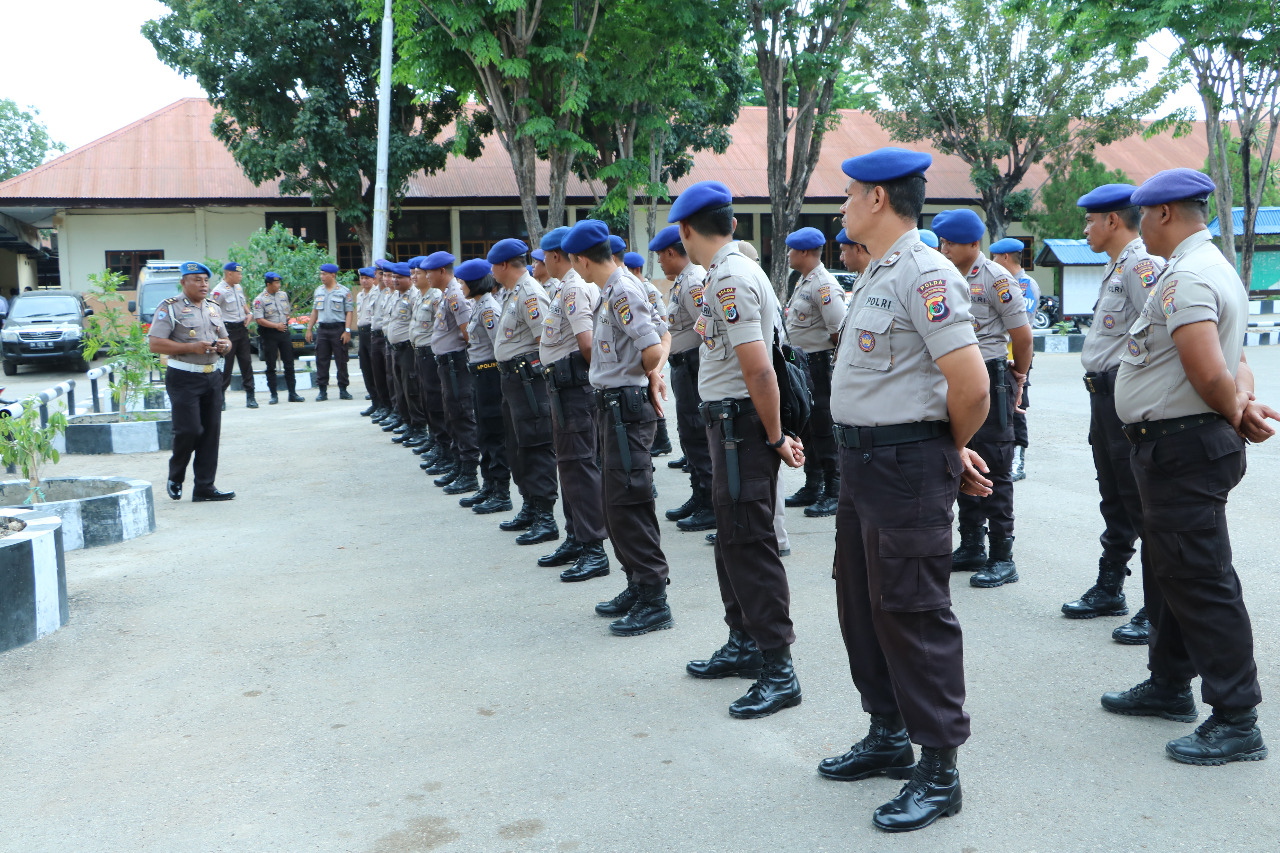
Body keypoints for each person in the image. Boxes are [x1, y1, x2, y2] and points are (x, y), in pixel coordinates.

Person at [820, 147, 992, 833]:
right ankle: (887, 732)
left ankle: (939, 767)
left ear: (879, 199)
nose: (842, 207)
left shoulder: (925, 273)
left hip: (904, 465)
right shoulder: (878, 273)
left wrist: (946, 451)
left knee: (914, 611)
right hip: (865, 466)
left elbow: (972, 384)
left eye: (850, 194)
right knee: (864, 602)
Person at [1102, 168, 1279, 765]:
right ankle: (1169, 682)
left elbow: (1209, 368)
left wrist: (1235, 409)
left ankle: (1236, 718)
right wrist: (1241, 400)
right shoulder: (1213, 267)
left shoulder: (1188, 276)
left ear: (1166, 214)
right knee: (1171, 570)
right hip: (1175, 444)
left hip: (1182, 447)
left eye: (1144, 216)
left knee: (1201, 579)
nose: (1139, 227)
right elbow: (1239, 358)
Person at [669, 181, 806, 720]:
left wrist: (774, 437)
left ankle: (779, 667)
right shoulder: (726, 274)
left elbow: (759, 368)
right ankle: (744, 641)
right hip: (728, 424)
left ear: (685, 230)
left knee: (751, 541)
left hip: (740, 428)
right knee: (732, 536)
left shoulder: (728, 277)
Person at [561, 219, 674, 632]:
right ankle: (636, 582)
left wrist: (654, 373)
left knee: (629, 504)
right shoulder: (616, 289)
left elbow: (651, 346)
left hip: (626, 409)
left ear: (580, 260)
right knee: (615, 502)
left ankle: (653, 597)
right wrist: (656, 369)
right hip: (614, 407)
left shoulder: (622, 290)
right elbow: (663, 336)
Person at [1060, 184, 1161, 643]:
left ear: (1112, 221)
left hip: (1125, 399)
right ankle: (1111, 587)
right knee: (1115, 497)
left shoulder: (1141, 267)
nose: (1085, 230)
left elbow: (1162, 336)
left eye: (1090, 221)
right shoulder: (1116, 267)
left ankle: (1156, 607)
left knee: (1140, 504)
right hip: (1103, 399)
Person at [933, 209, 1032, 590]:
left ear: (974, 244)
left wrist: (1018, 377)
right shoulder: (942, 276)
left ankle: (1002, 556)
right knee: (962, 458)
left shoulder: (996, 278)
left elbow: (1022, 337)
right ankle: (971, 543)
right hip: (957, 377)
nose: (944, 249)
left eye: (951, 243)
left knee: (995, 465)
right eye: (942, 242)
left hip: (991, 376)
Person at [537, 226, 611, 581]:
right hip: (562, 387)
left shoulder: (573, 289)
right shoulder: (563, 288)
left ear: (555, 256)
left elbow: (587, 344)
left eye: (544, 257)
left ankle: (593, 548)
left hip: (574, 388)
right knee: (569, 466)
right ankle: (576, 537)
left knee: (580, 467)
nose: (542, 263)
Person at [489, 238, 560, 544]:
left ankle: (545, 515)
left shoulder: (530, 293)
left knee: (535, 445)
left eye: (493, 264)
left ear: (503, 265)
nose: (491, 270)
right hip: (513, 381)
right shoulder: (513, 292)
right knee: (517, 445)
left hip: (528, 380)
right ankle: (530, 505)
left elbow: (545, 340)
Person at [147, 261, 236, 502]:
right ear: (183, 282)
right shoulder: (170, 308)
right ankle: (176, 475)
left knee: (210, 433)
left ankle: (204, 488)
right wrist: (191, 347)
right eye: (197, 280)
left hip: (212, 376)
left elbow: (226, 340)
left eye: (206, 280)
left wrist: (224, 346)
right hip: (183, 377)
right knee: (189, 430)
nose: (203, 284)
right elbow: (155, 343)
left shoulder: (213, 308)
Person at [651, 224, 716, 533]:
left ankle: (710, 502)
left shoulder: (692, 282)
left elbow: (707, 331)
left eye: (661, 257)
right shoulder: (681, 282)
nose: (660, 263)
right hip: (683, 367)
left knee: (697, 433)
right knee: (689, 434)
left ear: (672, 252)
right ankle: (699, 493)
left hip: (694, 368)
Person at [782, 227, 848, 518]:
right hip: (801, 364)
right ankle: (813, 484)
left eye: (792, 250)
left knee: (823, 428)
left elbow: (839, 333)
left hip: (818, 365)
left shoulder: (824, 285)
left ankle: (834, 491)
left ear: (805, 253)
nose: (788, 255)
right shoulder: (805, 281)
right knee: (808, 427)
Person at [456, 260, 513, 514]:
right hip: (479, 374)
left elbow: (498, 347)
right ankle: (488, 484)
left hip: (490, 375)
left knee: (493, 434)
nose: (460, 286)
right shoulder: (479, 305)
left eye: (463, 281)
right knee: (483, 433)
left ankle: (501, 491)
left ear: (474, 282)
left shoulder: (489, 308)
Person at [430, 254, 481, 495]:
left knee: (462, 415)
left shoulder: (455, 295)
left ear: (442, 271)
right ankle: (459, 464)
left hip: (455, 363)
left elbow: (467, 332)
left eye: (429, 271)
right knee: (452, 415)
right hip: (446, 363)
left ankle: (470, 472)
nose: (426, 275)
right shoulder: (446, 294)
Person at [988, 237, 1038, 480]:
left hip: (1015, 357)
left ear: (1005, 258)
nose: (992, 262)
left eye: (995, 257)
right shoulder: (999, 282)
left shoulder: (1025, 285)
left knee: (1017, 408)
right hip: (999, 358)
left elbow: (1020, 328)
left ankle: (1018, 460)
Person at [622, 246, 673, 458]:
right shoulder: (629, 287)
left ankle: (662, 440)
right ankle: (662, 440)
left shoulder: (647, 289)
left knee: (652, 396)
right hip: (642, 347)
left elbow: (660, 322)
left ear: (635, 269)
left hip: (651, 347)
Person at [384, 261, 428, 449]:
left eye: (399, 277)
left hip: (408, 349)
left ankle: (418, 427)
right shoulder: (395, 296)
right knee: (400, 388)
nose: (394, 280)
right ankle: (408, 422)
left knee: (411, 388)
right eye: (393, 277)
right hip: (396, 349)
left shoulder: (414, 296)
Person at [251, 272, 305, 404]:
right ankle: (273, 395)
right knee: (271, 365)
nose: (279, 285)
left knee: (289, 363)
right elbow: (259, 319)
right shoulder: (260, 299)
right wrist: (276, 326)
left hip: (284, 332)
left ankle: (292, 393)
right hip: (269, 334)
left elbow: (286, 312)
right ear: (268, 284)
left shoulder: (283, 295)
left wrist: (283, 323)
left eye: (279, 283)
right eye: (276, 283)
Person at [304, 262, 355, 401]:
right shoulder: (318, 290)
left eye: (324, 274)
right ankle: (322, 390)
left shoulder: (344, 291)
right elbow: (315, 311)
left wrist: (347, 330)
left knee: (341, 360)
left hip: (338, 329)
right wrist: (309, 328)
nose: (322, 276)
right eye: (321, 274)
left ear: (333, 275)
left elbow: (349, 312)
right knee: (321, 360)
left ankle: (343, 389)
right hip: (323, 329)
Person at [210, 262, 257, 409]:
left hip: (241, 329)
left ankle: (250, 396)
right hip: (227, 332)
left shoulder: (238, 287)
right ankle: (221, 397)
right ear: (229, 274)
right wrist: (219, 334)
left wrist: (249, 313)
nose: (241, 276)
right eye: (239, 274)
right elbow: (212, 312)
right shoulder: (219, 291)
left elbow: (243, 304)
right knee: (226, 366)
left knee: (246, 363)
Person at [368, 264, 397, 424]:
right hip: (375, 336)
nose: (385, 278)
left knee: (391, 377)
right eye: (382, 274)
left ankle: (394, 409)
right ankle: (384, 405)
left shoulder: (393, 293)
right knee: (378, 375)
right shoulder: (378, 292)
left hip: (386, 338)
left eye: (387, 275)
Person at [356, 267, 381, 415]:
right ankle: (374, 401)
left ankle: (382, 402)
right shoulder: (360, 295)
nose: (364, 281)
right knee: (365, 367)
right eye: (362, 278)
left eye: (367, 278)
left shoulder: (377, 294)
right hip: (362, 333)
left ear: (374, 279)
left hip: (372, 332)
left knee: (376, 368)